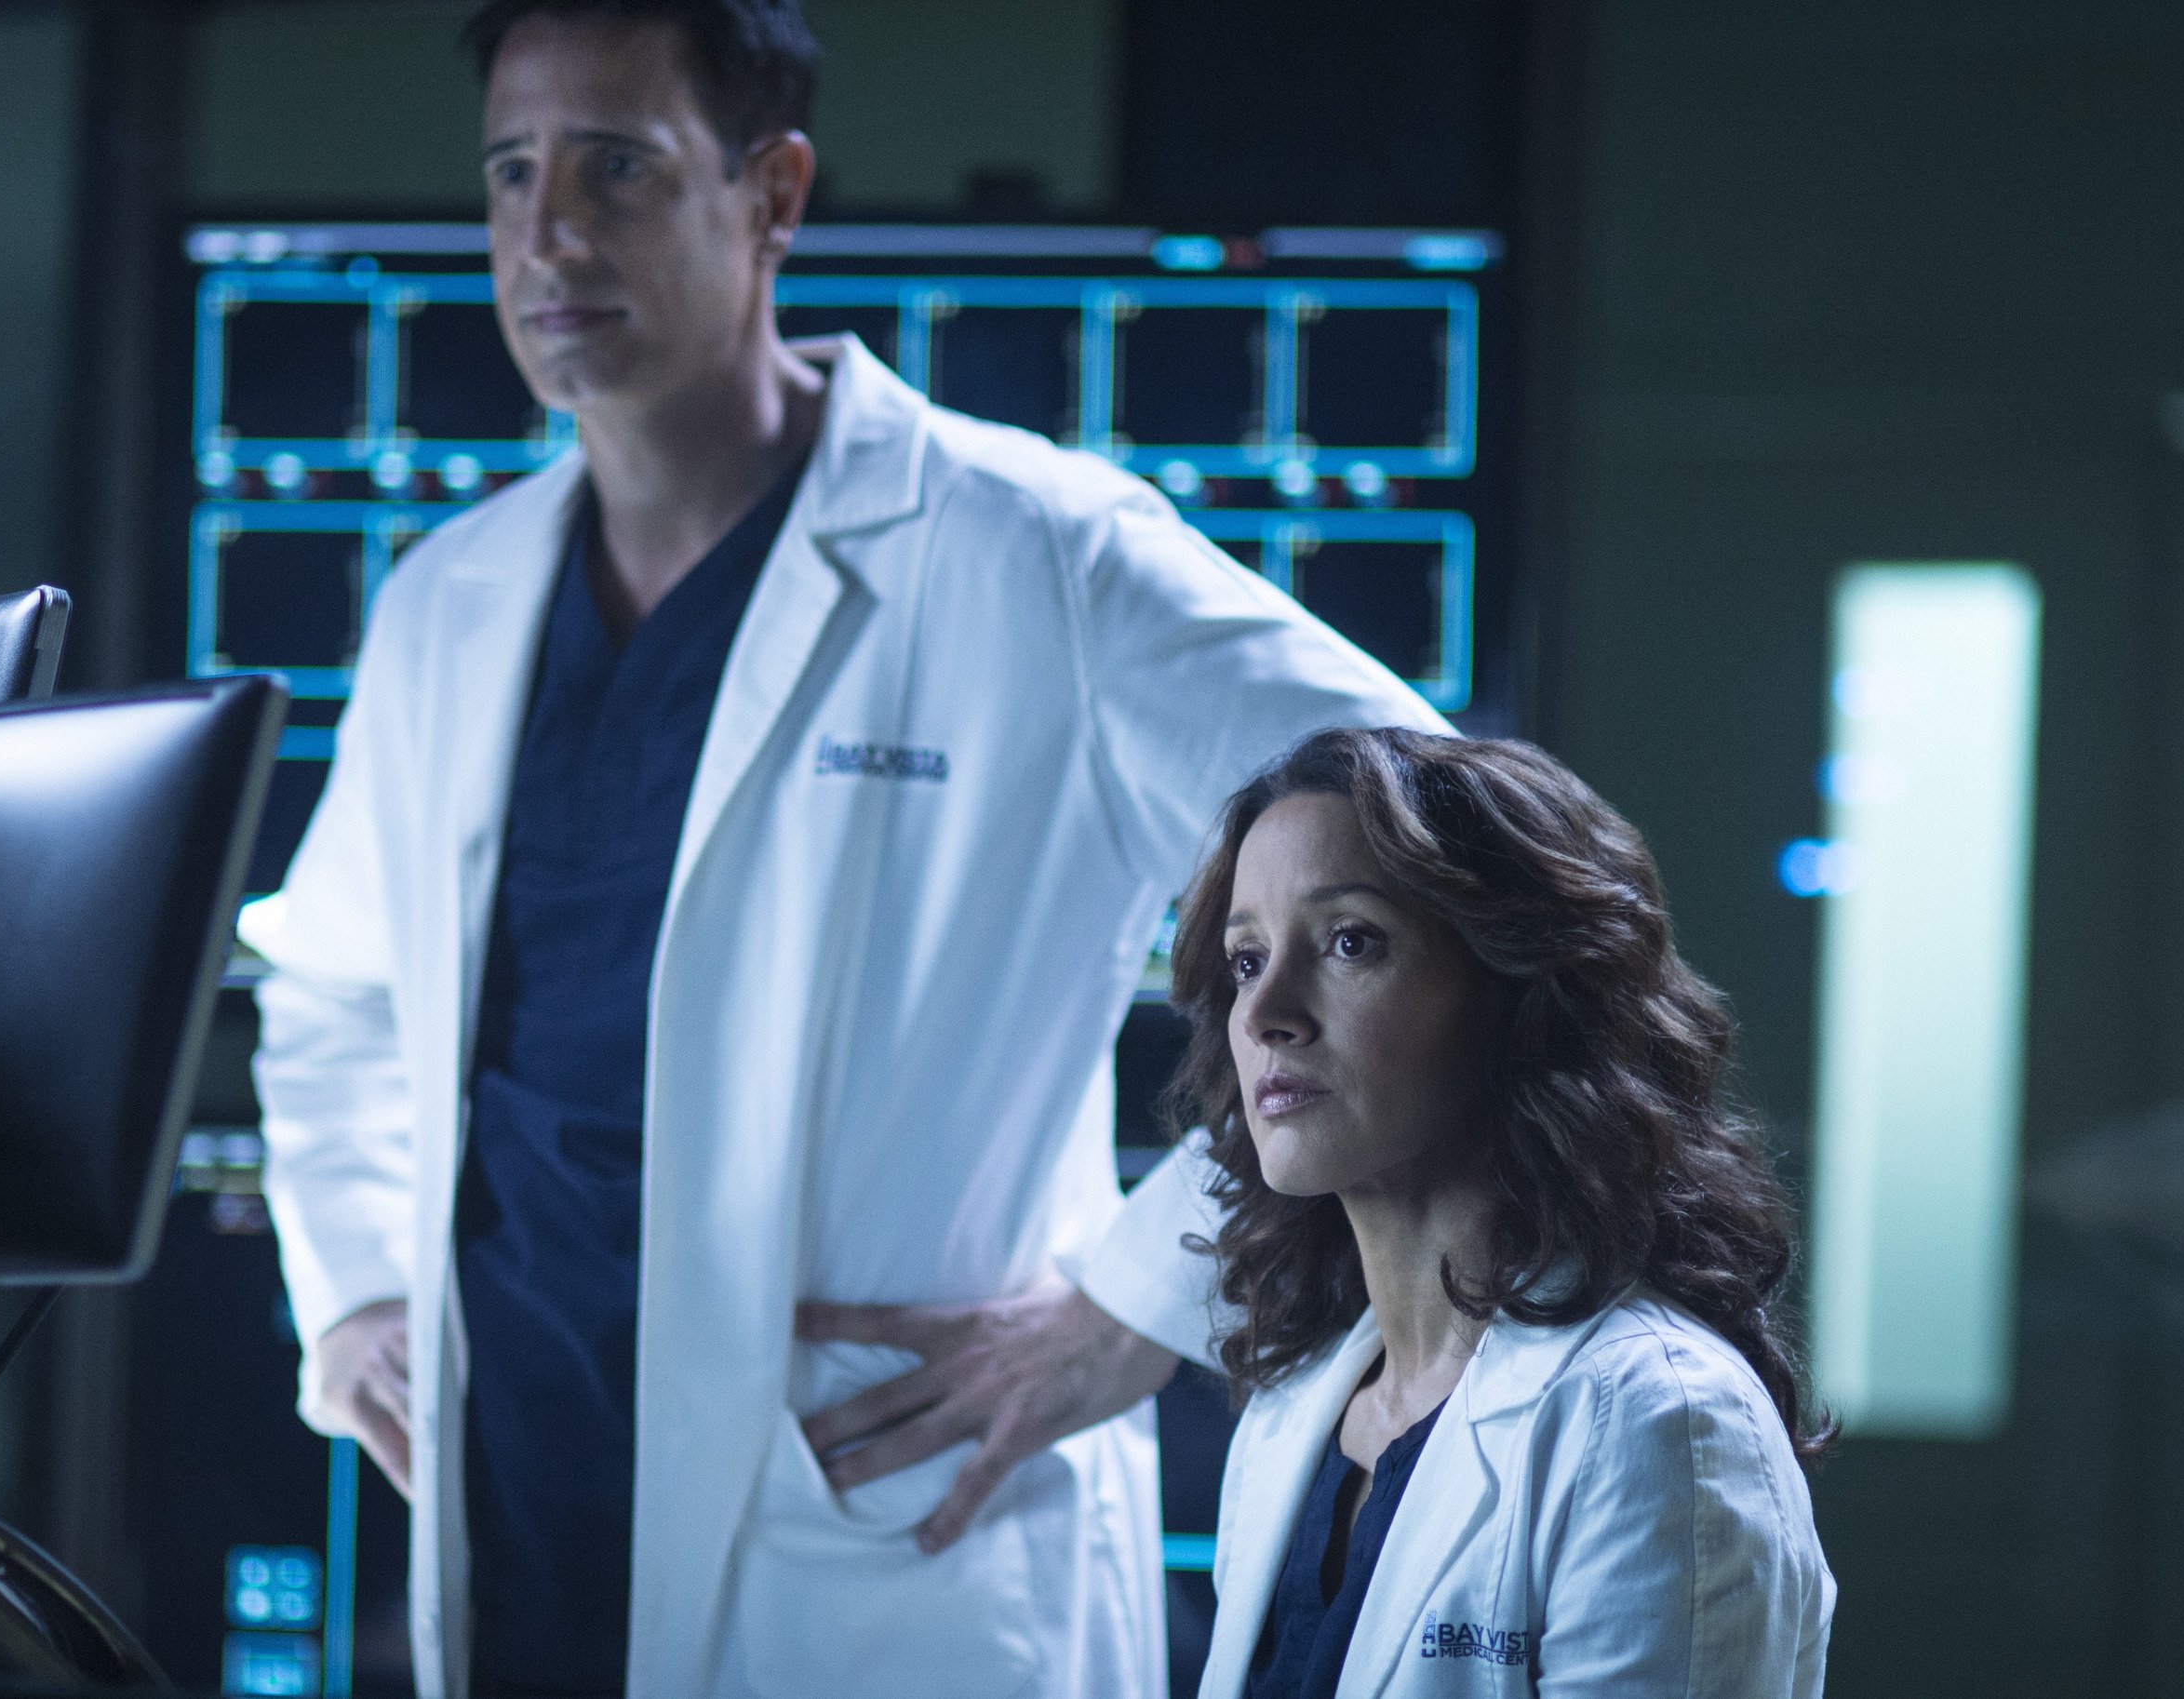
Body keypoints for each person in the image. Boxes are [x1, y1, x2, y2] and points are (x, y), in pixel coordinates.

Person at [238, 1, 1442, 1693]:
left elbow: (1452, 854)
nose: (548, 233)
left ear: (773, 194)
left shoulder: (1033, 555)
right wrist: (361, 1286)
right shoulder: (453, 601)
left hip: (891, 1550)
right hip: (524, 1512)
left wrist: (1140, 1304)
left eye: (616, 167)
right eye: (512, 171)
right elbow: (335, 989)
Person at [1170, 729, 1834, 1698]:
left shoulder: (1660, 1421)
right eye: (1246, 958)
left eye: (1351, 941)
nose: (1267, 1011)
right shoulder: (1293, 1414)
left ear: (1522, 994)